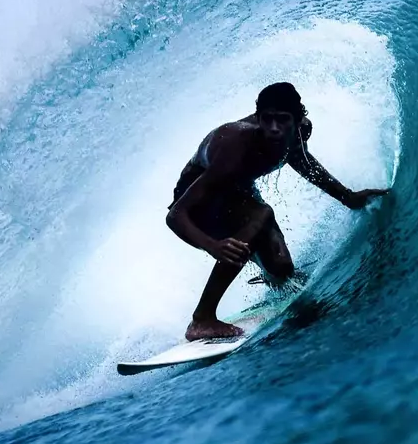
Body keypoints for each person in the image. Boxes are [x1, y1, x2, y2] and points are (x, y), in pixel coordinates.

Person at [166, 82, 389, 340]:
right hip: (196, 205)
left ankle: (268, 269)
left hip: (236, 194)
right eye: (267, 119)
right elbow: (175, 215)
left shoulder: (299, 132)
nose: (273, 128)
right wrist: (212, 245)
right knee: (261, 215)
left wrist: (348, 197)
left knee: (282, 269)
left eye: (282, 120)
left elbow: (300, 161)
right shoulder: (234, 146)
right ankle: (202, 319)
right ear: (258, 117)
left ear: (297, 119)